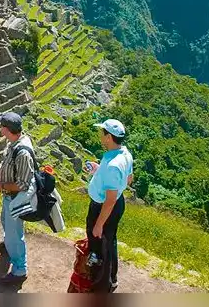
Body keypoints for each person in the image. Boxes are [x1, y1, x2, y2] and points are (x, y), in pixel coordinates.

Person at [83, 119, 134, 293]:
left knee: (99, 244)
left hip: (104, 207)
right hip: (117, 203)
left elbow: (109, 200)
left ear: (109, 137)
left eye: (103, 132)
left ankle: (100, 285)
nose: (100, 135)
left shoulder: (113, 165)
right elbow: (128, 179)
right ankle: (111, 278)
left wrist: (99, 224)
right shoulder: (124, 154)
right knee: (110, 241)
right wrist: (99, 170)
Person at [0, 111, 35, 285]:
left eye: (1, 126)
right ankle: (7, 246)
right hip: (8, 195)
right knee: (5, 221)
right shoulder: (13, 143)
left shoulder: (22, 153)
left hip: (15, 198)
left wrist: (0, 186)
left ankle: (19, 270)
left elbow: (23, 184)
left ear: (7, 129)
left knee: (14, 235)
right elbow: (7, 163)